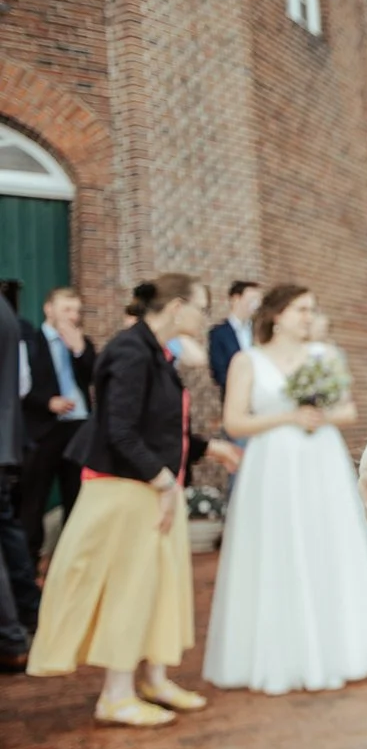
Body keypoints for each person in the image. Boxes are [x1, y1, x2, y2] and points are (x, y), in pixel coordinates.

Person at [27, 275, 241, 725]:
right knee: (129, 589)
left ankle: (155, 678)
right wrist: (164, 482)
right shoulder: (128, 351)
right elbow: (119, 430)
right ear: (178, 307)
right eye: (202, 307)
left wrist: (206, 448)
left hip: (153, 489)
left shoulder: (157, 355)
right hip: (125, 491)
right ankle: (116, 695)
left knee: (160, 589)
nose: (206, 317)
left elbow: (158, 429)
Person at [203, 284, 367, 695]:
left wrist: (321, 416)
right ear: (276, 316)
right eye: (301, 309)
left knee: (327, 545)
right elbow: (234, 423)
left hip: (321, 463)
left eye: (311, 309)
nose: (308, 316)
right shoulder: (247, 362)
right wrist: (287, 418)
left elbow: (348, 410)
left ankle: (342, 651)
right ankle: (279, 656)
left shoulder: (325, 355)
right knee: (276, 550)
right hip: (271, 466)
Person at [19, 287, 96, 568]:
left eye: (77, 311)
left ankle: (72, 561)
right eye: (66, 310)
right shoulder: (31, 342)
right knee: (34, 498)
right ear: (48, 309)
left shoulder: (81, 343)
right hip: (45, 430)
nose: (73, 316)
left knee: (77, 497)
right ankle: (29, 563)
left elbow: (95, 375)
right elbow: (21, 387)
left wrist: (79, 350)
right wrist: (47, 402)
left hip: (78, 429)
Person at [0, 291, 34, 671]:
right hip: (7, 442)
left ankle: (11, 639)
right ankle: (23, 620)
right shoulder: (8, 314)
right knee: (9, 534)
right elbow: (21, 384)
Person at [207, 280, 261, 400]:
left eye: (258, 301)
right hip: (234, 398)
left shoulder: (259, 331)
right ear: (236, 299)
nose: (256, 305)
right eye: (252, 300)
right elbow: (219, 373)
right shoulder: (219, 333)